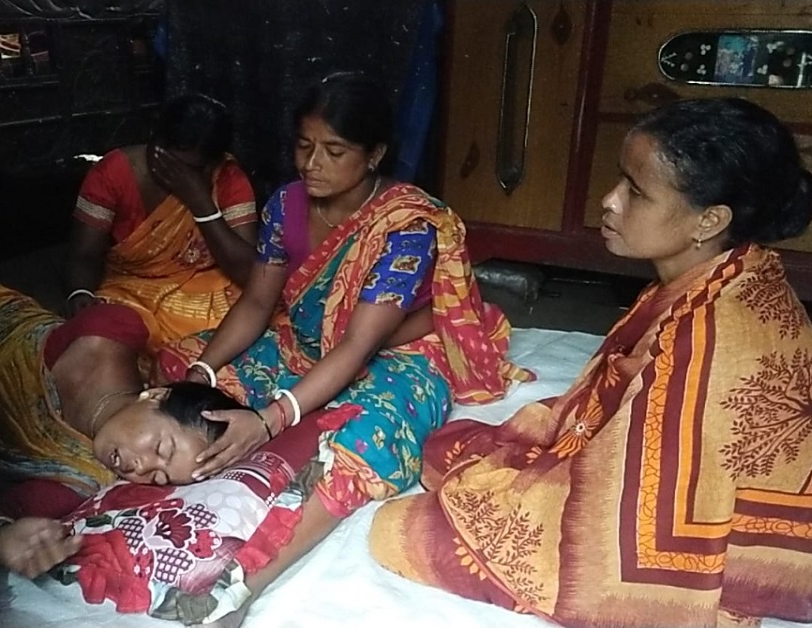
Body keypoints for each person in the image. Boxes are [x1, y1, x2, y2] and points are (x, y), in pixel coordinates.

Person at [369, 98, 812, 627]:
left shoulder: (709, 342)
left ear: (709, 220)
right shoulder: (728, 273)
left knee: (401, 532)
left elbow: (654, 514)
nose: (609, 201)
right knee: (449, 450)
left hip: (706, 551)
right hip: (680, 468)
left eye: (636, 192)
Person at [154, 72, 534, 625]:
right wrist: (201, 371)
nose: (312, 164)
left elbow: (358, 345)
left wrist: (269, 419)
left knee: (367, 433)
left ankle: (246, 576)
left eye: (334, 151)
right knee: (179, 373)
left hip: (398, 348)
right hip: (312, 340)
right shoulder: (286, 206)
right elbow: (258, 303)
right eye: (303, 146)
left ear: (374, 154)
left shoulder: (406, 225)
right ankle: (187, 479)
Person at [0, 276, 249, 573]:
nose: (141, 467)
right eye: (160, 449)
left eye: (159, 477)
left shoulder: (80, 477)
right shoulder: (115, 329)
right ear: (156, 395)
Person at [63, 93, 258, 356]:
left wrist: (200, 202)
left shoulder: (226, 178)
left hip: (205, 290)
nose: (171, 171)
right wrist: (79, 292)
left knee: (256, 315)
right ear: (154, 139)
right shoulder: (114, 172)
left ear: (213, 163)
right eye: (164, 157)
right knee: (110, 330)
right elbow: (84, 255)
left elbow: (248, 272)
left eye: (187, 168)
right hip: (131, 289)